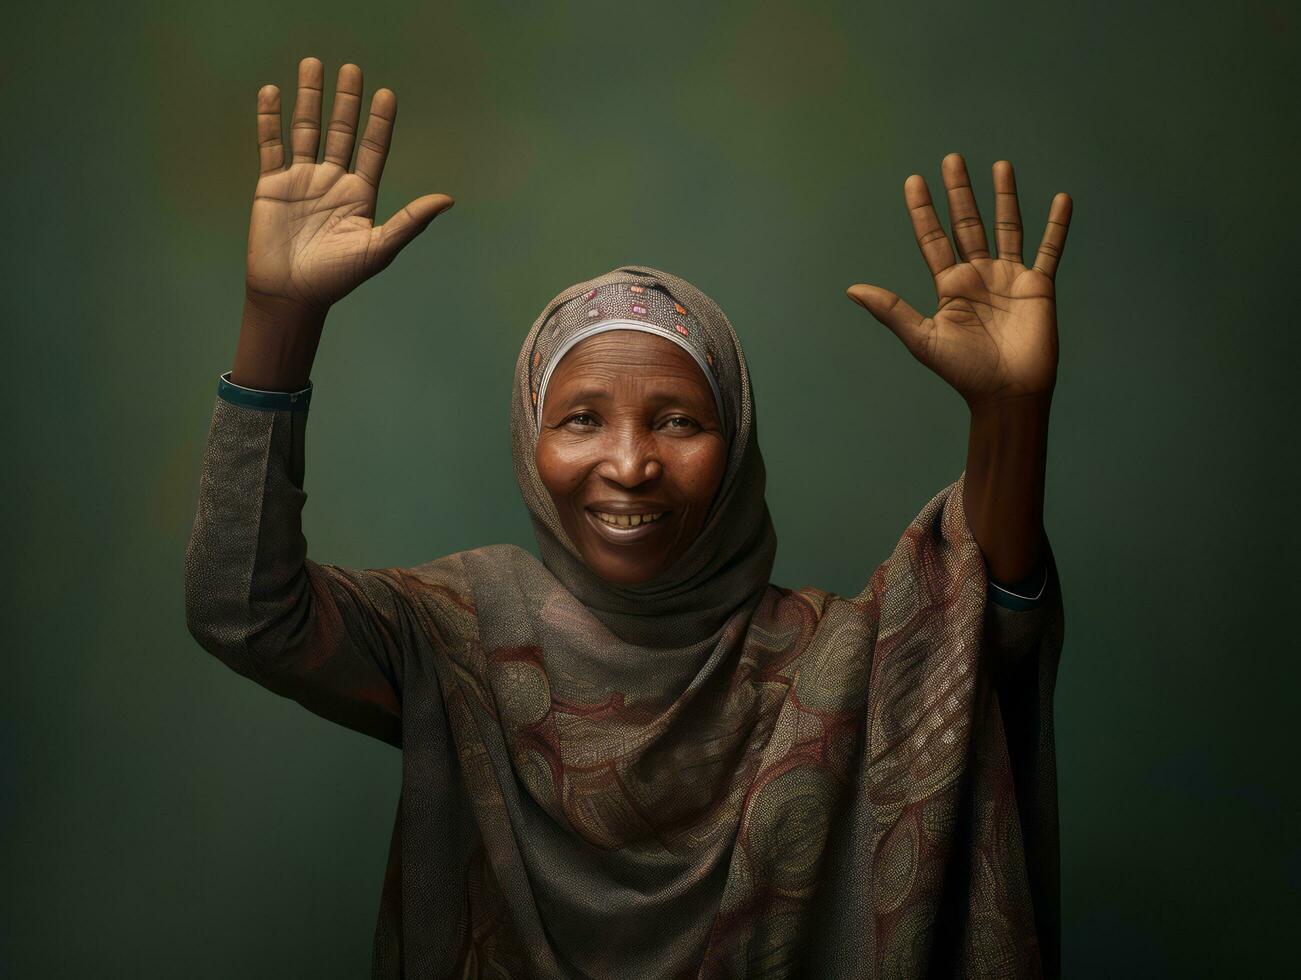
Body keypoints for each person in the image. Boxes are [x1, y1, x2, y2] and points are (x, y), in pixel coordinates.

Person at [185, 57, 1070, 979]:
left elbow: (980, 639)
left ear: (737, 448)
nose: (629, 463)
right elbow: (244, 612)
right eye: (580, 420)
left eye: (679, 421)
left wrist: (1010, 414)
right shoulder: (455, 633)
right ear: (531, 438)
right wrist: (277, 321)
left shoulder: (829, 661)